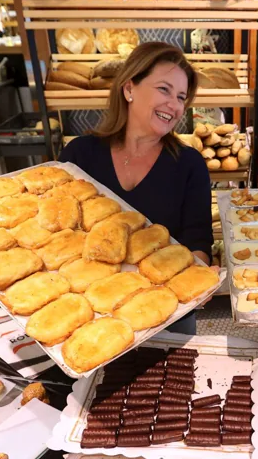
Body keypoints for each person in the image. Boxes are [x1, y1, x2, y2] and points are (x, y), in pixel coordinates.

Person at [59, 42, 212, 333]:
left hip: (164, 311)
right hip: (89, 312)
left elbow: (198, 238)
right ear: (129, 89)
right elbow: (60, 234)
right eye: (164, 89)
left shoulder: (189, 163)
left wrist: (198, 274)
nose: (175, 105)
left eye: (181, 97)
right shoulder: (79, 155)